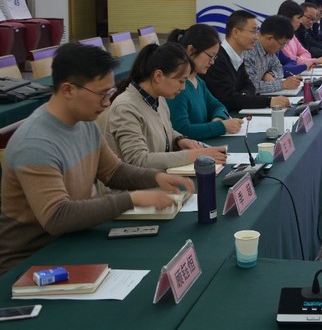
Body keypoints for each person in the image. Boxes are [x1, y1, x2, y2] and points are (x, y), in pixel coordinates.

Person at [0, 43, 195, 274]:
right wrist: (132, 199)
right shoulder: (35, 143)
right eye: (102, 94)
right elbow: (57, 216)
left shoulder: (85, 124)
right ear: (68, 90)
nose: (107, 103)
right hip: (32, 262)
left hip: (76, 239)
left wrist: (156, 177)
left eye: (109, 94)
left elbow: (114, 172)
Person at [104, 42, 227, 169]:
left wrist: (179, 140)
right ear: (158, 76)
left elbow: (164, 129)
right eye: (181, 81)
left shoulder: (159, 98)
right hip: (136, 181)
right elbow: (138, 160)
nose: (183, 88)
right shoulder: (125, 108)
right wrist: (193, 155)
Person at [166, 24, 244, 140]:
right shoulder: (178, 87)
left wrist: (217, 120)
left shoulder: (198, 81)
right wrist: (221, 126)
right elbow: (182, 131)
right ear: (191, 50)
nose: (212, 62)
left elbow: (218, 106)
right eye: (210, 56)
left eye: (214, 58)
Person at [203, 10, 291, 112]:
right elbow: (228, 99)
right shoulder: (217, 60)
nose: (256, 37)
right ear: (236, 32)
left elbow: (250, 86)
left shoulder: (238, 57)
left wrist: (242, 96)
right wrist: (269, 101)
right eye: (253, 32)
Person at [243, 15, 303, 95]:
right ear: (270, 38)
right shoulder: (249, 51)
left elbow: (279, 68)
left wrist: (271, 74)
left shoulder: (269, 50)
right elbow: (250, 86)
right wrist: (282, 84)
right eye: (282, 44)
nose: (282, 48)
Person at [277, 0, 322, 67]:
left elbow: (306, 53)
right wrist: (315, 61)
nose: (300, 21)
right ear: (288, 17)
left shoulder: (292, 35)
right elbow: (292, 60)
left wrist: (301, 59)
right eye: (298, 18)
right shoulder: (280, 37)